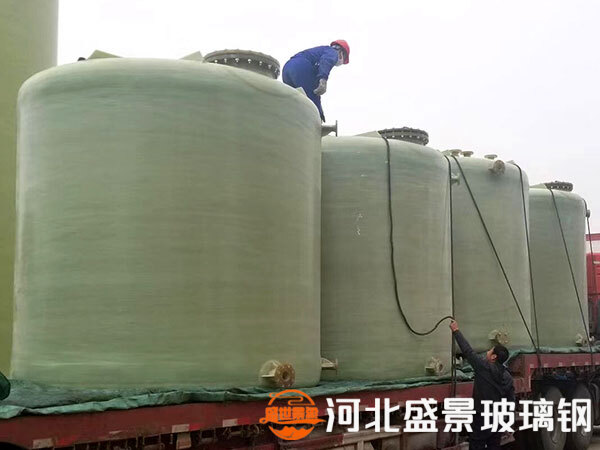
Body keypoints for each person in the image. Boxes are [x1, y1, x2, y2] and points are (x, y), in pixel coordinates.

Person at [449, 320, 515, 450]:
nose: (487, 352)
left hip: (481, 417)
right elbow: (511, 400)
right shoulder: (507, 377)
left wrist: (456, 331)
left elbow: (468, 351)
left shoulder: (483, 367)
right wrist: (506, 420)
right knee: (494, 446)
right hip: (498, 419)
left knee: (477, 445)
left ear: (494, 357)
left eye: (490, 351)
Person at [282, 40, 350, 122]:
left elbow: (313, 81)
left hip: (287, 68)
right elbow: (327, 61)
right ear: (341, 53)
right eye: (344, 59)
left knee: (293, 100)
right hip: (300, 66)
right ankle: (317, 122)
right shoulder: (332, 52)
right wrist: (323, 80)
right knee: (312, 101)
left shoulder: (318, 56)